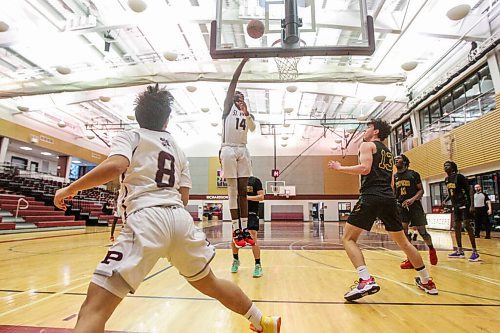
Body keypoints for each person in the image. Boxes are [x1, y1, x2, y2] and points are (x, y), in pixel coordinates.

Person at [53, 84, 280, 333]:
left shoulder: (132, 135)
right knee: (212, 283)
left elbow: (115, 165)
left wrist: (69, 189)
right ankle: (263, 322)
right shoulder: (178, 150)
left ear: (138, 115)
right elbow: (183, 197)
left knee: (93, 308)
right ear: (167, 119)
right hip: (180, 220)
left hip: (146, 218)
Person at [328, 119, 438, 301]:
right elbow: (392, 182)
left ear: (376, 131)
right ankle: (427, 281)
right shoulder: (388, 153)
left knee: (348, 239)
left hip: (371, 196)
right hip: (389, 198)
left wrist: (340, 168)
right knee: (404, 243)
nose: (365, 130)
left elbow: (365, 168)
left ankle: (365, 279)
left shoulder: (367, 145)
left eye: (368, 127)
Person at [219, 58, 257, 249]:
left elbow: (253, 128)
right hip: (228, 148)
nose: (238, 97)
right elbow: (233, 84)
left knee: (244, 191)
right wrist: (242, 64)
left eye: (241, 96)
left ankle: (245, 230)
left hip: (243, 148)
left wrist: (247, 112)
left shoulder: (246, 112)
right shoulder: (227, 109)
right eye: (236, 96)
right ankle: (235, 228)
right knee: (232, 190)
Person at [394, 154, 438, 269]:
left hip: (415, 206)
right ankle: (410, 258)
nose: (396, 160)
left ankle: (431, 249)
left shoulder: (413, 174)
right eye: (395, 159)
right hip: (401, 206)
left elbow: (421, 191)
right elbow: (394, 193)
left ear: (404, 161)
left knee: (422, 232)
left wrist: (412, 199)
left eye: (398, 158)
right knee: (404, 233)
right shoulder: (394, 177)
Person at [444, 161, 480, 261]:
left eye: (448, 165)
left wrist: (472, 205)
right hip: (455, 205)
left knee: (467, 225)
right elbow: (452, 192)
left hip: (464, 203)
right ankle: (460, 250)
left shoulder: (459, 177)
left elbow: (470, 190)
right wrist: (446, 199)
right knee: (456, 227)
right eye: (444, 166)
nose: (445, 167)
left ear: (453, 167)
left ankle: (475, 252)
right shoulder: (446, 179)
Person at [231, 175, 265, 277]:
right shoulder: (235, 181)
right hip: (239, 212)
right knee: (234, 238)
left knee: (252, 236)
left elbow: (261, 197)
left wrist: (246, 198)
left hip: (251, 212)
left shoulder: (255, 180)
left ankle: (258, 265)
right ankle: (236, 260)